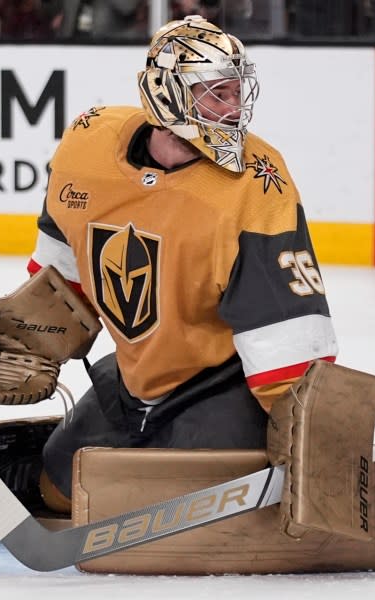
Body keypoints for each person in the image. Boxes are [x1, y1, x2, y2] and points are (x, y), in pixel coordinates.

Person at [26, 15, 338, 510]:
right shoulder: (88, 145)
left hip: (222, 382)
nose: (235, 108)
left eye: (237, 91)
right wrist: (30, 333)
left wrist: (315, 448)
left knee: (178, 503)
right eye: (217, 93)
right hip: (134, 381)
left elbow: (285, 332)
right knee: (58, 494)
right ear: (168, 94)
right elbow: (61, 274)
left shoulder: (256, 182)